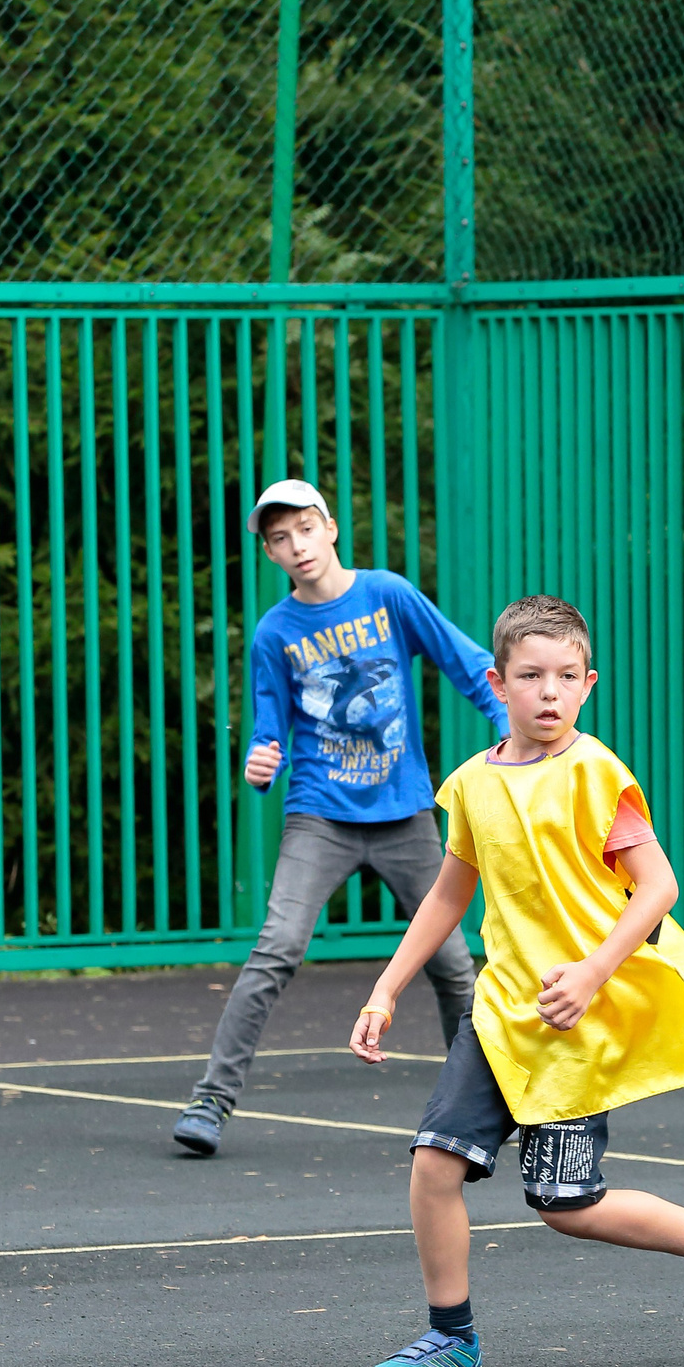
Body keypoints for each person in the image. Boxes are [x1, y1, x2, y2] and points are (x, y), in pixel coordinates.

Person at [350, 594, 684, 1367]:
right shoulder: (472, 785)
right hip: (501, 1010)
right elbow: (448, 896)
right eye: (530, 675)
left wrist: (590, 973)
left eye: (565, 676)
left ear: (589, 683)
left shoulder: (596, 773)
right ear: (497, 683)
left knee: (564, 1202)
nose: (549, 690)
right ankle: (452, 1340)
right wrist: (386, 987)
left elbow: (658, 887)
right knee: (434, 1162)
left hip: (576, 1017)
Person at [173, 480, 509, 1157]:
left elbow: (469, 663)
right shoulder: (276, 633)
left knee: (452, 965)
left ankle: (476, 1110)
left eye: (303, 529)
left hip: (406, 814)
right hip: (320, 816)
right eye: (278, 538)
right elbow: (268, 730)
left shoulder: (386, 593)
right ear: (269, 552)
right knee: (277, 948)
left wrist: (510, 738)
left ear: (329, 528)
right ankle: (211, 1099)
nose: (295, 545)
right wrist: (259, 762)